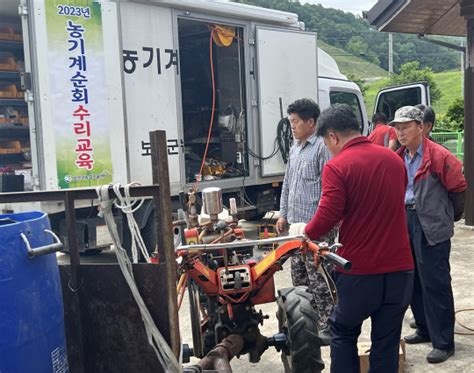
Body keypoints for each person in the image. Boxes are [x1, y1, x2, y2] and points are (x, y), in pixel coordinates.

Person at [303, 104, 414, 373]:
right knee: (386, 341)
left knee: (343, 331)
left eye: (327, 143)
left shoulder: (337, 166)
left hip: (360, 272)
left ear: (333, 136)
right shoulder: (394, 160)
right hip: (401, 269)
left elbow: (328, 215)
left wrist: (305, 233)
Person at [391, 106, 467, 364]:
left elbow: (458, 190)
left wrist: (446, 217)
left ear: (421, 127)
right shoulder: (398, 156)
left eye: (406, 126)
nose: (400, 132)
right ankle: (423, 328)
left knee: (435, 283)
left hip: (431, 224)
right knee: (412, 280)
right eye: (397, 127)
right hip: (405, 221)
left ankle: (444, 342)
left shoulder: (439, 156)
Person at [276, 98, 335, 343]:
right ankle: (306, 322)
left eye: (295, 122)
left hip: (316, 227)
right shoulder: (295, 147)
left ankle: (327, 325)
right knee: (299, 278)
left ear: (311, 122)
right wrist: (283, 215)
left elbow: (328, 189)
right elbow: (288, 183)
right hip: (296, 227)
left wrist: (320, 224)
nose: (292, 127)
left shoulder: (322, 147)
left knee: (319, 278)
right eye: (290, 122)